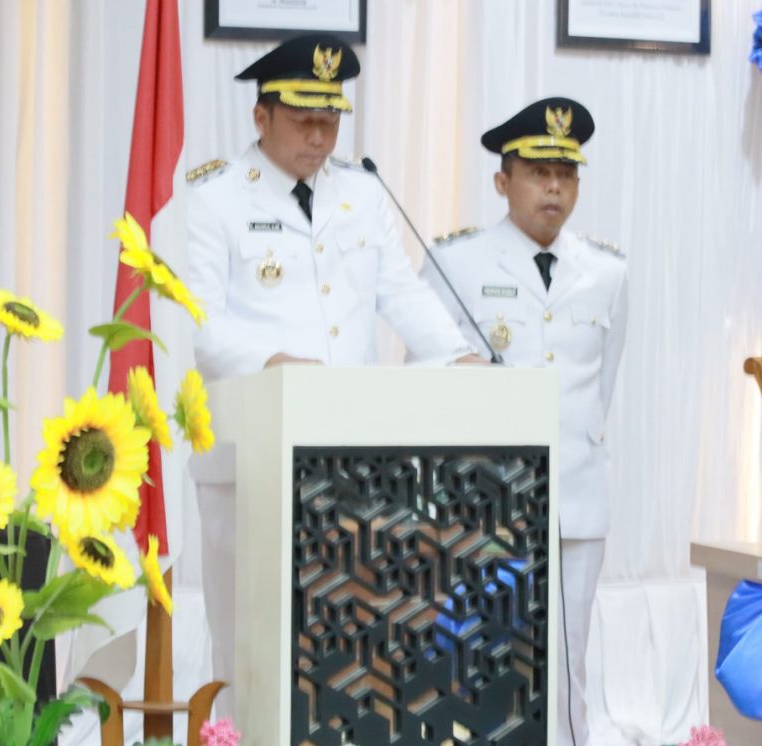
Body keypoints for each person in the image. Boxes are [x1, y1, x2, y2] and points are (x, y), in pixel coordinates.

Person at [186, 33, 479, 718]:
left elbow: (401, 293)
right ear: (261, 117)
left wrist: (455, 354)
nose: (319, 137)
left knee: (348, 639)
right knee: (250, 644)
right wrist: (271, 364)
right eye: (303, 120)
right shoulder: (216, 199)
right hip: (251, 455)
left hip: (349, 457)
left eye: (331, 120)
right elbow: (201, 325)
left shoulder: (362, 193)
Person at [420, 97, 628, 746]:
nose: (554, 189)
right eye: (539, 173)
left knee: (566, 665)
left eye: (566, 175)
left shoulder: (607, 271)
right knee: (479, 663)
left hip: (575, 495)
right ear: (502, 181)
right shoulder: (456, 262)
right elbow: (423, 374)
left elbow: (602, 385)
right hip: (483, 501)